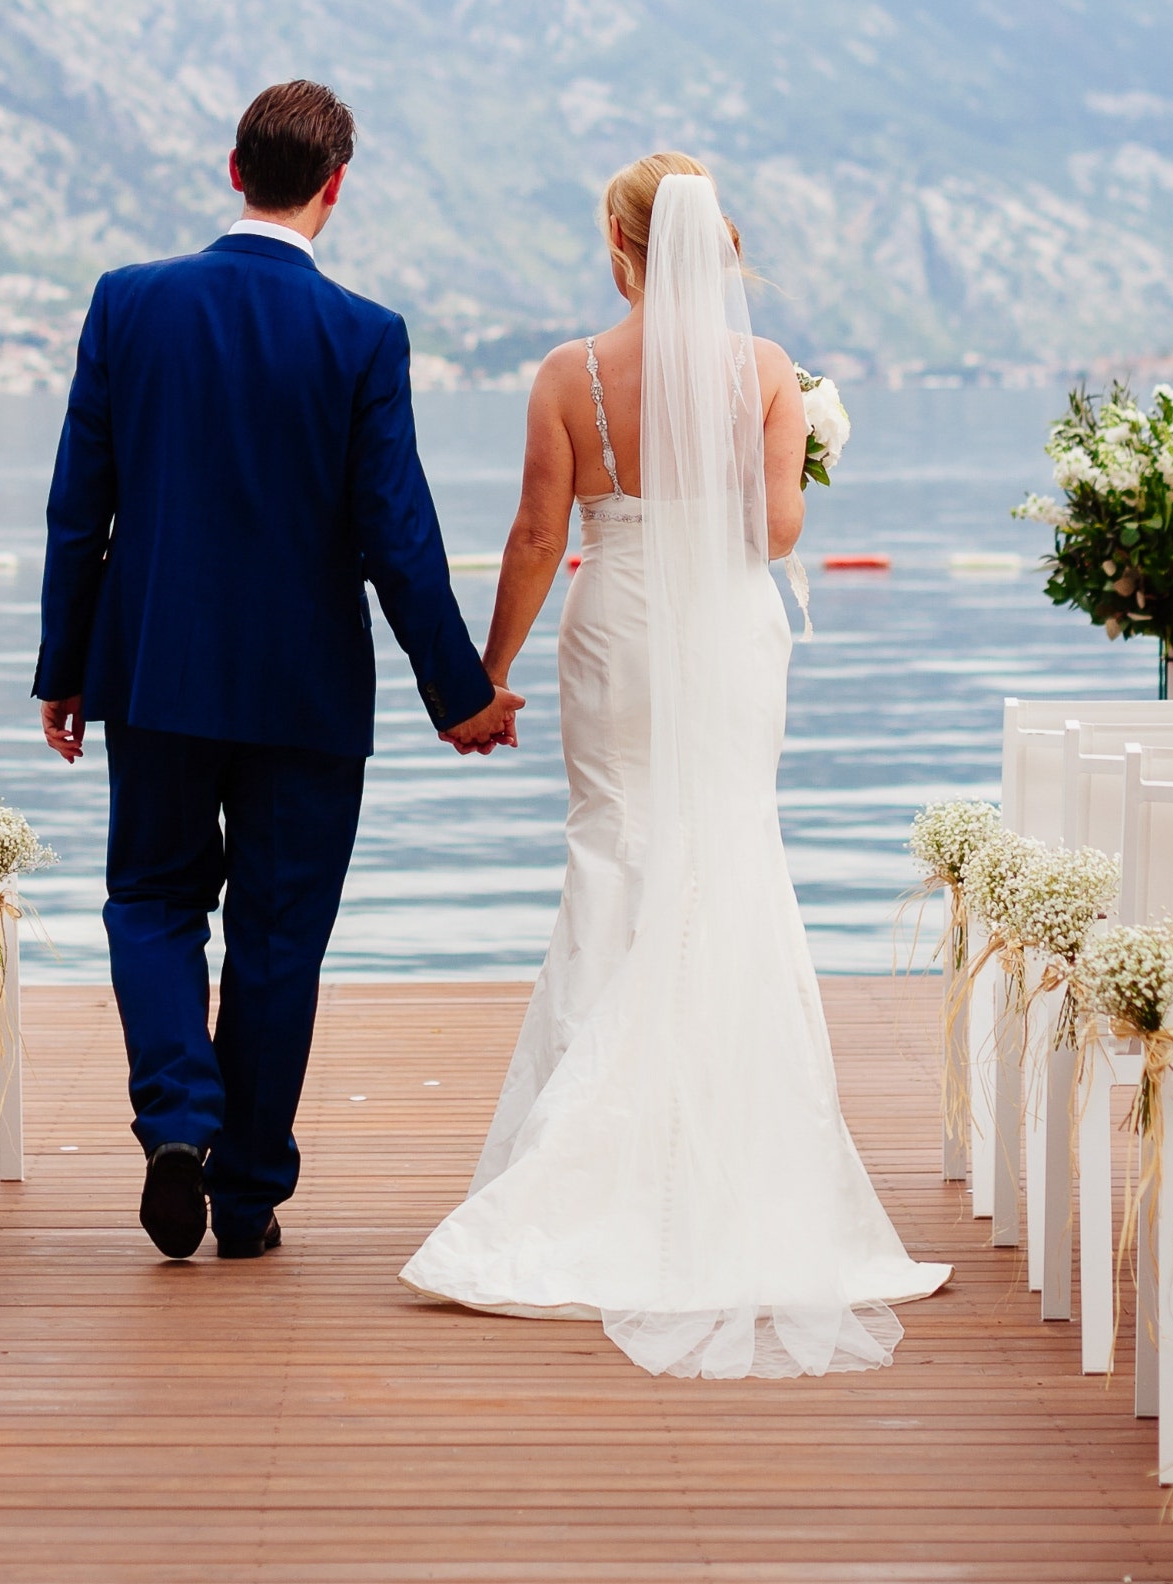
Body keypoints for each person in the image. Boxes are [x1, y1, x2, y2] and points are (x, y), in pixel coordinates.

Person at [397, 151, 947, 1377]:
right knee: (728, 851)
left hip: (615, 628)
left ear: (619, 243)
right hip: (724, 630)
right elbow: (779, 527)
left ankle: (579, 1161)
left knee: (613, 851)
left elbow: (539, 533)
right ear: (722, 246)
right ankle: (728, 1162)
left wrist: (483, 677)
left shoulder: (567, 374)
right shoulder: (761, 373)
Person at [32, 80, 526, 1263]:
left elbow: (75, 510)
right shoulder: (362, 334)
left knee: (150, 902)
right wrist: (460, 694)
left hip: (151, 672)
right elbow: (395, 534)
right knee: (276, 936)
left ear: (232, 169)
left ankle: (175, 1123)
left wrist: (66, 664)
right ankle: (245, 1192)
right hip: (305, 692)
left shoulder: (128, 304)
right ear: (334, 188)